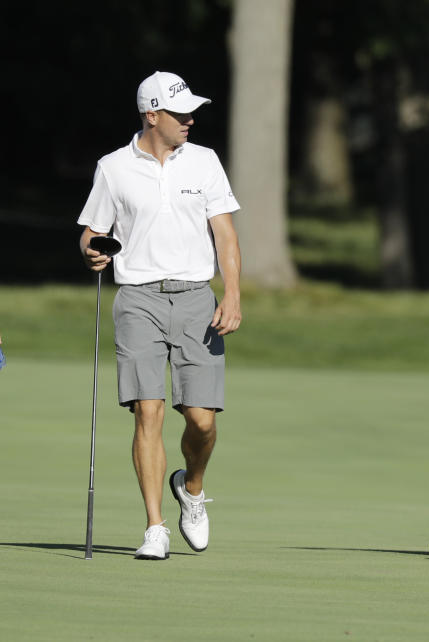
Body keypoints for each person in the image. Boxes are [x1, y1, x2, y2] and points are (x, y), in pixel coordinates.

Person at [77, 71, 242, 560]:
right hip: (138, 298)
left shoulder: (206, 162)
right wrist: (91, 250)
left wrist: (231, 294)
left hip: (197, 297)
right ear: (152, 115)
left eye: (192, 111)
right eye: (180, 112)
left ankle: (191, 488)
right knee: (147, 411)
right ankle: (155, 527)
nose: (191, 119)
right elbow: (91, 230)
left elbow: (226, 236)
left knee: (202, 421)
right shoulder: (113, 167)